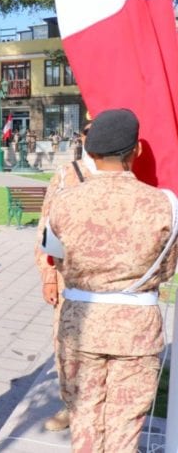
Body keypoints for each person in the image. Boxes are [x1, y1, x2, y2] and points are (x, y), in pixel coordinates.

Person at [43, 109, 178, 452]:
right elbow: (167, 270)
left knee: (84, 420)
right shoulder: (165, 205)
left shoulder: (63, 202)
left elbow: (57, 260)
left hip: (80, 324)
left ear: (91, 151)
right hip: (136, 328)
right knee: (125, 429)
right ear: (137, 151)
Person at [34, 121, 94, 432]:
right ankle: (71, 405)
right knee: (67, 344)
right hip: (69, 277)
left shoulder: (132, 175)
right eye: (87, 131)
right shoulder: (67, 174)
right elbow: (48, 226)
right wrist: (47, 275)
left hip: (114, 283)